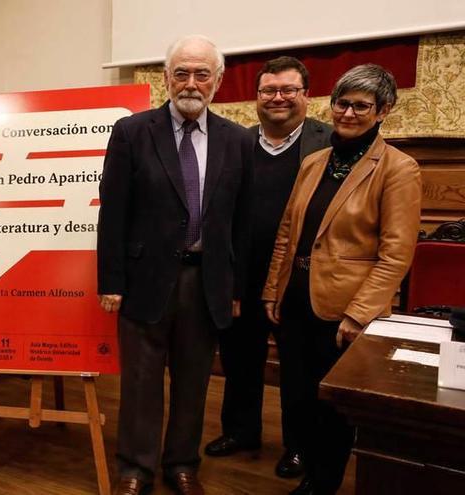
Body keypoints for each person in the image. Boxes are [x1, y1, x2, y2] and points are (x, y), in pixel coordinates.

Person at [97, 35, 252, 495]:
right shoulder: (131, 132)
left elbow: (241, 224)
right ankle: (135, 469)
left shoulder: (238, 140)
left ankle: (182, 464)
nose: (190, 82)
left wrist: (236, 288)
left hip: (207, 282)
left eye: (201, 73)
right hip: (144, 281)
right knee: (141, 382)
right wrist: (111, 281)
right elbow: (113, 212)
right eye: (181, 72)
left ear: (218, 81)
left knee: (194, 380)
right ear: (165, 78)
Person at [262, 64, 422, 495]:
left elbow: (395, 255)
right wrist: (272, 290)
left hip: (344, 314)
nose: (347, 113)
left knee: (330, 407)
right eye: (341, 102)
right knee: (296, 398)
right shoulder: (314, 162)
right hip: (295, 301)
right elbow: (286, 233)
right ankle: (312, 469)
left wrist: (358, 315)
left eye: (361, 106)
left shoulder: (397, 169)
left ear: (383, 110)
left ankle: (323, 483)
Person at [206, 56, 331, 479]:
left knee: (299, 369)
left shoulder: (328, 143)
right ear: (256, 97)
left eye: (288, 90)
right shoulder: (234, 143)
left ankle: (300, 446)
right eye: (268, 91)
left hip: (298, 280)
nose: (277, 98)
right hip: (242, 274)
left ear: (305, 96)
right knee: (239, 360)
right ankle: (241, 431)